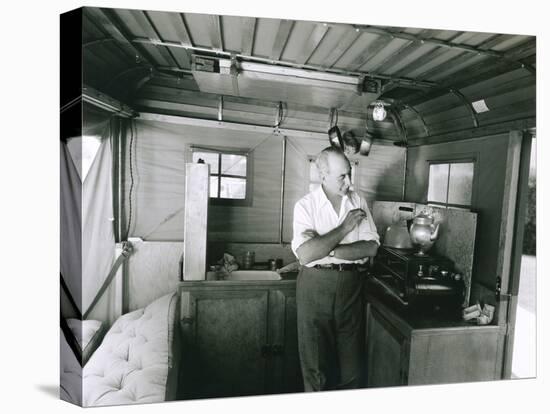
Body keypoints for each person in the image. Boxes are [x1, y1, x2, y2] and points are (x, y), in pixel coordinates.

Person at [291, 146, 379, 391]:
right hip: (314, 286)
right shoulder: (305, 206)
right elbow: (305, 254)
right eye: (342, 176)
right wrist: (345, 228)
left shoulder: (358, 201)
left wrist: (326, 247)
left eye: (349, 174)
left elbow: (371, 247)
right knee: (316, 369)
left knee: (352, 371)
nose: (349, 181)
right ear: (323, 175)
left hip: (351, 288)